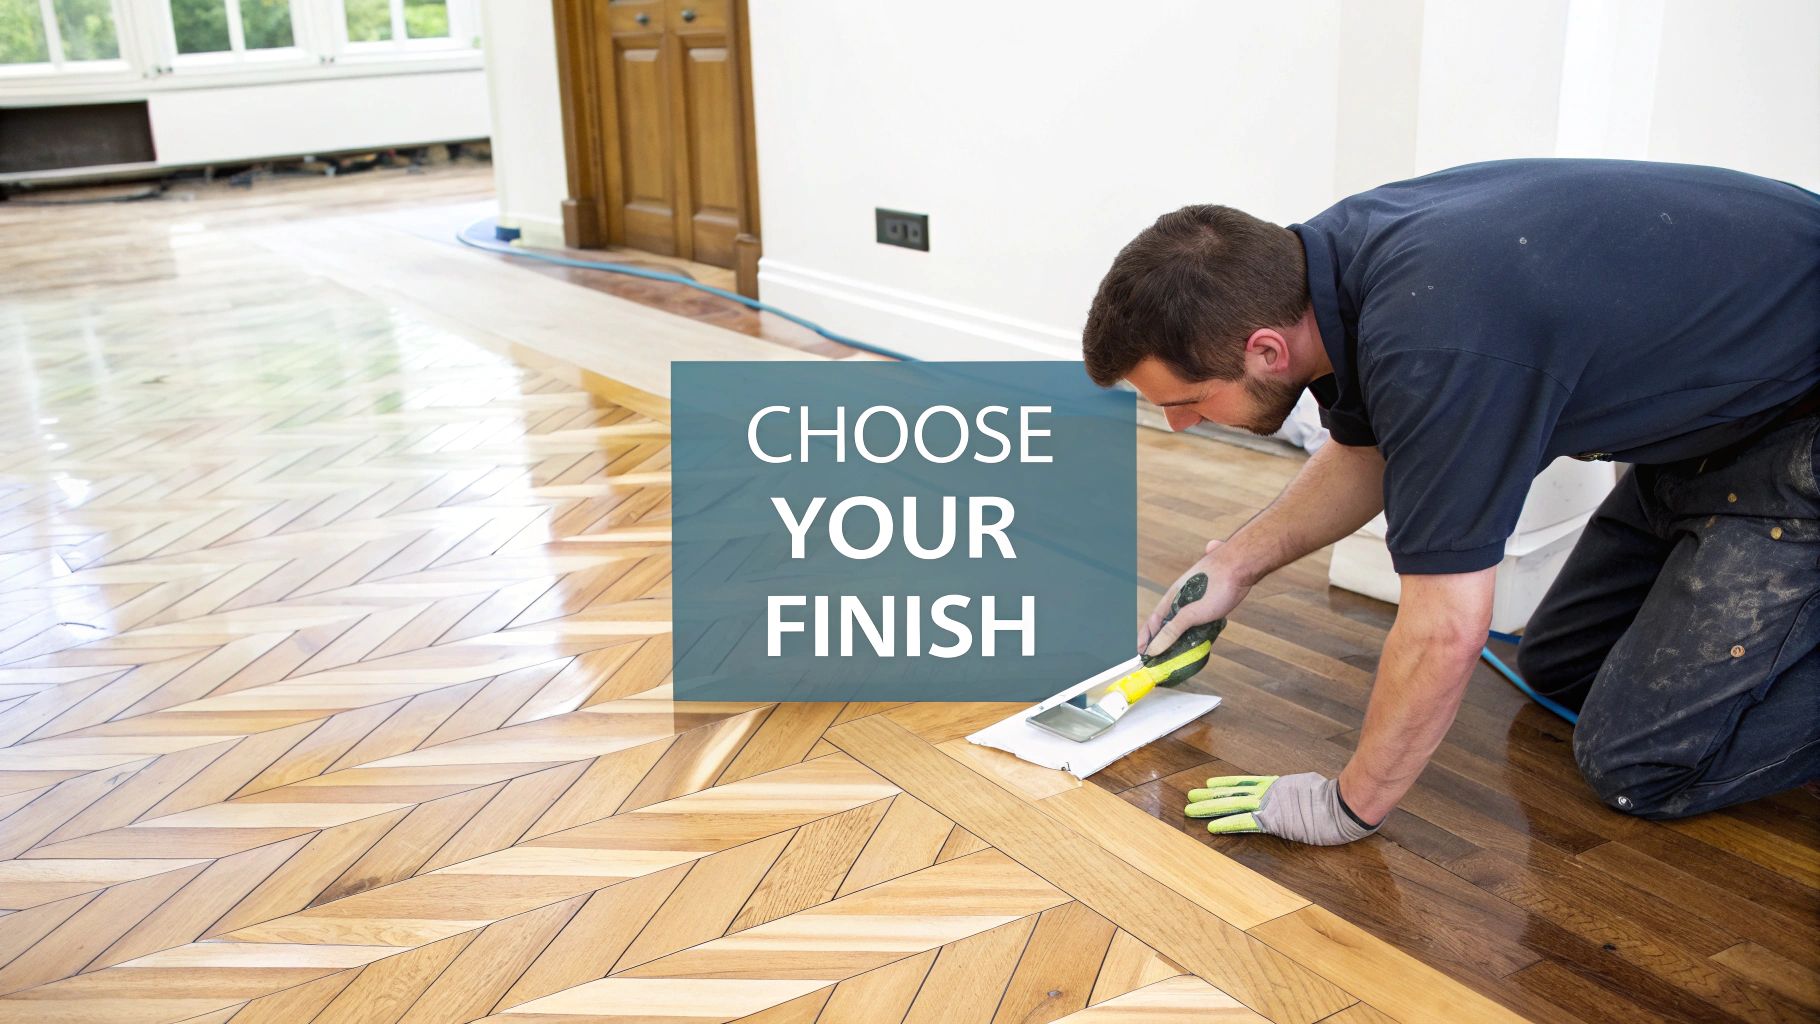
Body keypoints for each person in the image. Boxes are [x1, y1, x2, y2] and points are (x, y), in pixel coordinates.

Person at [1082, 159, 1819, 845]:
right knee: (1559, 666)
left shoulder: (1435, 345)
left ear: (1268, 350)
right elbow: (1365, 451)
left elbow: (1446, 629)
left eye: (1186, 401)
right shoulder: (1329, 266)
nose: (1176, 423)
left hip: (1795, 434)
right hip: (1708, 431)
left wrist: (1349, 803)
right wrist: (1235, 566)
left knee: (1640, 765)